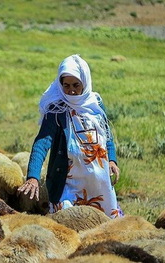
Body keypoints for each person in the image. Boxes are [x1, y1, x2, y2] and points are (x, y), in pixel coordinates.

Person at [17, 54, 123, 218]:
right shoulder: (56, 110)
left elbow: (106, 135)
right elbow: (41, 143)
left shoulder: (95, 104)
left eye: (76, 85)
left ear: (85, 83)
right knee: (68, 221)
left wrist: (112, 160)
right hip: (67, 183)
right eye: (66, 85)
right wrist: (33, 177)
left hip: (98, 184)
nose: (71, 90)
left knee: (103, 225)